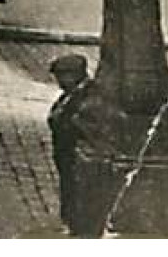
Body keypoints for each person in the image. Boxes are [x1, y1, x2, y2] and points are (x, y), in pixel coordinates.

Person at [47, 54, 96, 236]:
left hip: (74, 155)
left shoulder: (85, 97)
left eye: (61, 76)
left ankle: (76, 226)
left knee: (76, 190)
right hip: (65, 154)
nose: (59, 82)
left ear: (74, 75)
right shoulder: (69, 95)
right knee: (68, 188)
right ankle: (71, 222)